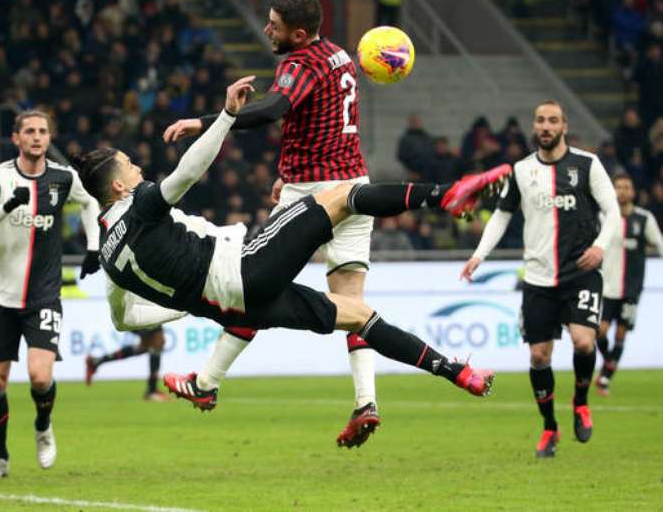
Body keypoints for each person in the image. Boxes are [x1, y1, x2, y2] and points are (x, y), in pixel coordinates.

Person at [75, 77, 510, 435]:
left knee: (358, 315)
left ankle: (456, 371)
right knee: (342, 195)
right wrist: (226, 117)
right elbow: (188, 172)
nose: (137, 168)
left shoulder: (111, 257)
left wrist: (183, 307)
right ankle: (446, 196)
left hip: (235, 307)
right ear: (117, 187)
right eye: (129, 165)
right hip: (243, 272)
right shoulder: (141, 204)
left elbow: (124, 319)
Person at [163, 0, 383, 448]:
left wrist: (211, 120)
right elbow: (316, 121)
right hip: (354, 186)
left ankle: (205, 384)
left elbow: (274, 108)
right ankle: (366, 402)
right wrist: (287, 173)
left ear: (298, 35)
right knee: (353, 305)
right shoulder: (338, 54)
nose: (267, 30)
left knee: (250, 286)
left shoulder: (299, 63)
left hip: (314, 195)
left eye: (274, 26)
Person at [460, 100, 622, 459]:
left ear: (564, 126)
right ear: (535, 127)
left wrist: (599, 246)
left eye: (552, 121)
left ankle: (580, 401)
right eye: (540, 121)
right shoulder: (521, 170)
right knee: (538, 356)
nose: (545, 126)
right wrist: (478, 255)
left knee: (583, 342)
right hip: (538, 278)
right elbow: (501, 216)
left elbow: (612, 211)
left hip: (580, 271)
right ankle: (550, 426)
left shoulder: (587, 164)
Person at [0, 110, 101, 481]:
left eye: (42, 131)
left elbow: (90, 202)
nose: (37, 137)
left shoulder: (62, 178)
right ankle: (0, 457)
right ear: (16, 138)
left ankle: (43, 426)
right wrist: (7, 206)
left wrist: (93, 246)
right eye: (29, 131)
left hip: (43, 295)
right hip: (1, 294)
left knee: (40, 378)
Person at [596, 174, 663, 396]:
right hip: (606, 287)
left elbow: (659, 245)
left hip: (631, 288)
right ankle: (609, 363)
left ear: (633, 192)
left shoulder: (644, 219)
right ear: (612, 191)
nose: (622, 191)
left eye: (626, 187)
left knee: (621, 334)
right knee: (600, 332)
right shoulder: (603, 217)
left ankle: (605, 378)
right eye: (618, 187)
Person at [85, 325, 171, 401]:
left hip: (146, 310)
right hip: (140, 310)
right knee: (157, 342)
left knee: (147, 345)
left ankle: (96, 361)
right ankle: (152, 391)